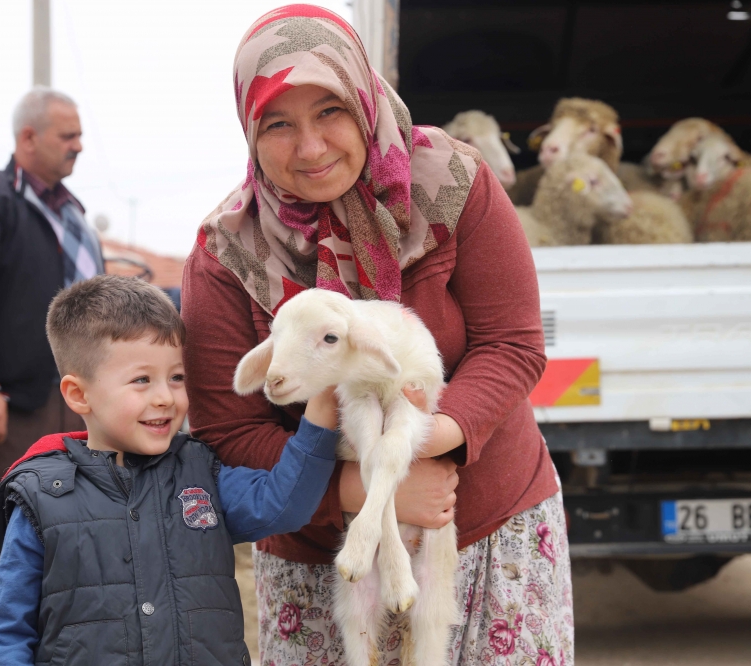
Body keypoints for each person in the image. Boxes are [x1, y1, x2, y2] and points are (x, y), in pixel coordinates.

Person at [181, 5, 573, 665]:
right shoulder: (227, 255)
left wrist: (430, 439)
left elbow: (512, 344)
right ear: (249, 129)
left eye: (329, 110)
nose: (311, 147)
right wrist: (357, 490)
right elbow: (229, 430)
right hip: (326, 559)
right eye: (278, 124)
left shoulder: (452, 183)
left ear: (362, 99)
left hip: (487, 531)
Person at [0, 275, 340, 665]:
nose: (165, 397)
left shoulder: (202, 473)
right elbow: (7, 635)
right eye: (141, 380)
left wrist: (322, 408)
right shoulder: (39, 497)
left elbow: (286, 504)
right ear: (79, 394)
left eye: (176, 378)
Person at [0, 86, 104, 665]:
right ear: (28, 138)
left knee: (73, 545)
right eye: (68, 135)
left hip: (72, 402)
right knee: (0, 551)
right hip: (6, 409)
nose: (79, 145)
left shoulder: (72, 213)